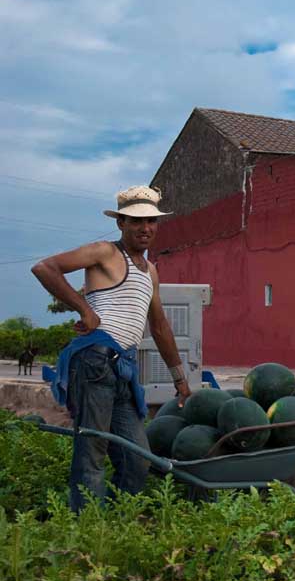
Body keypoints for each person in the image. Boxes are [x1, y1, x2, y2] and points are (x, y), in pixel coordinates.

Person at [32, 185, 192, 511]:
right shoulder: (105, 252)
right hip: (95, 361)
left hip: (124, 369)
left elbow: (159, 326)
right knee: (92, 450)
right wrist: (85, 309)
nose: (145, 228)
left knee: (137, 458)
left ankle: (114, 519)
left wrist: (179, 377)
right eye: (136, 221)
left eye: (151, 221)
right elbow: (45, 267)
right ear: (121, 222)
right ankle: (88, 529)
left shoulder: (151, 272)